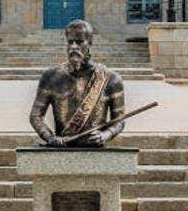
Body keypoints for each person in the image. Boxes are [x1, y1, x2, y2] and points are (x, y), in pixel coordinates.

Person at [28, 19, 127, 147]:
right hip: (62, 147)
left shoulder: (112, 79)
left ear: (90, 43)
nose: (74, 46)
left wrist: (105, 135)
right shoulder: (51, 77)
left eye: (79, 42)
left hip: (95, 150)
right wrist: (50, 138)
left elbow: (119, 121)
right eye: (70, 42)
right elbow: (35, 115)